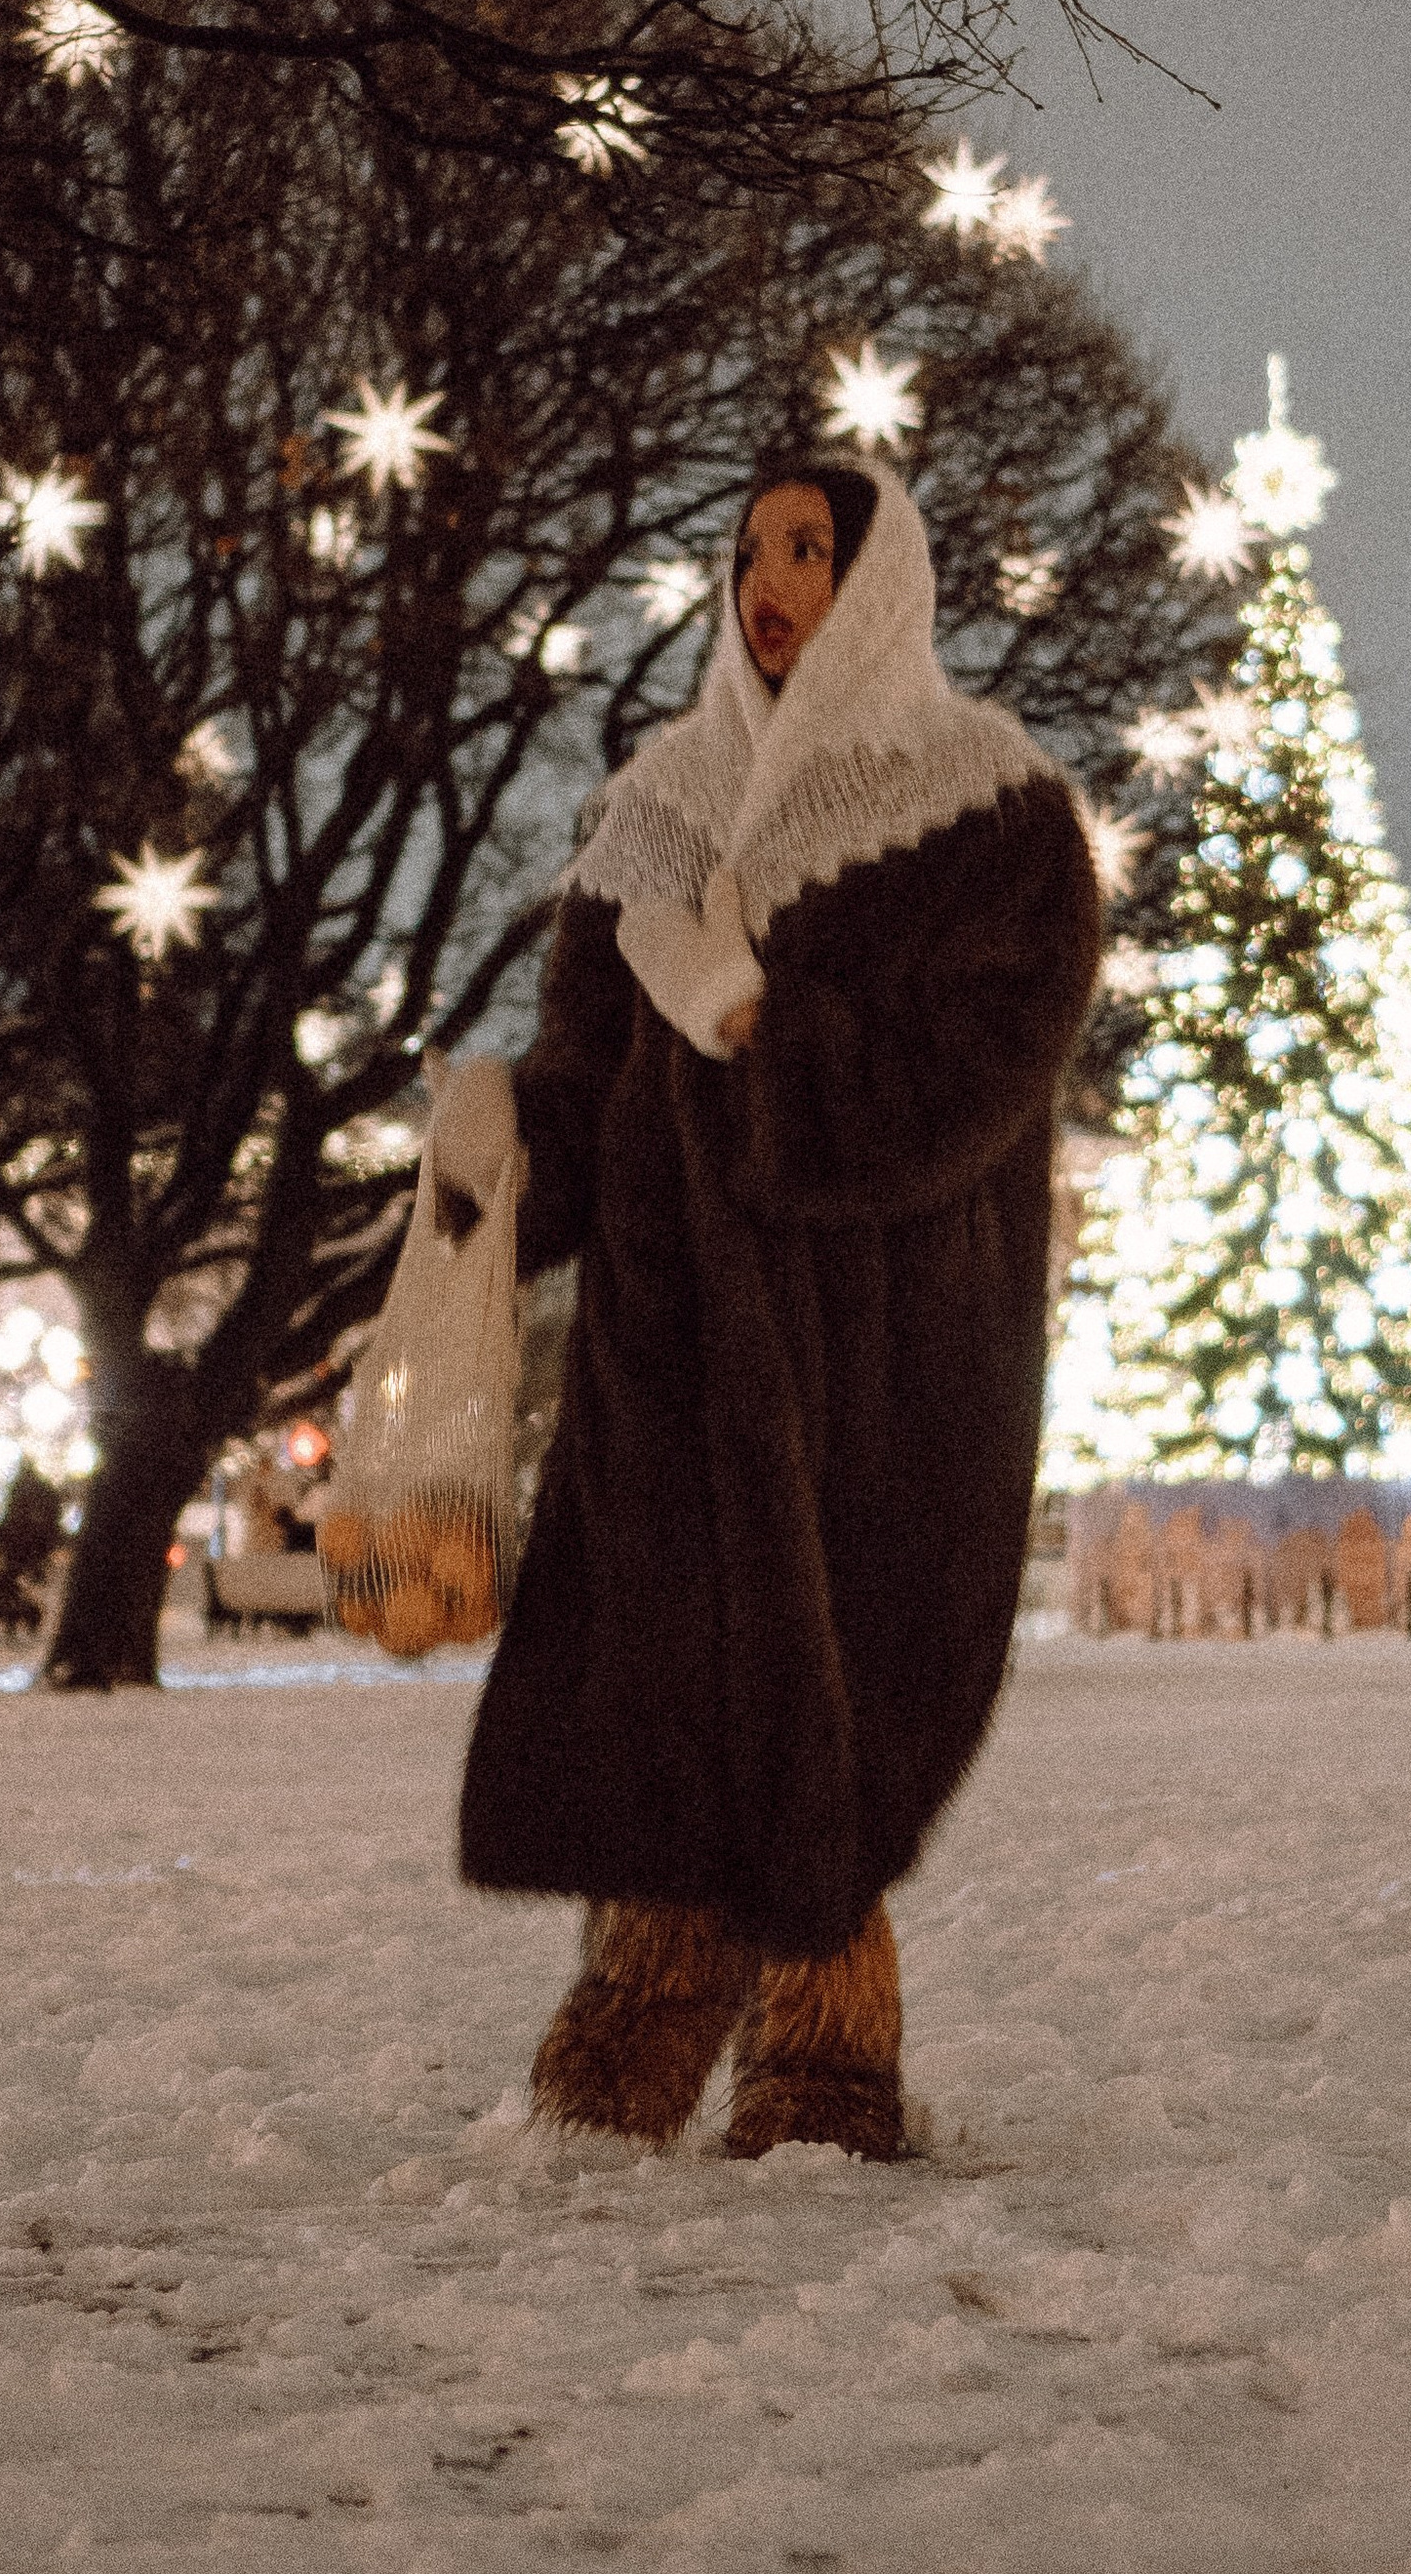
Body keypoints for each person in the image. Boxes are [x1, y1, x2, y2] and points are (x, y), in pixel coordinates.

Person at [449, 454, 1101, 2158]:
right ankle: (643, 2011)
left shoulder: (990, 805)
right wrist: (500, 1151)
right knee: (669, 1678)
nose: (773, 575)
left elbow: (987, 1069)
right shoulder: (656, 810)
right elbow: (588, 1085)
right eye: (751, 548)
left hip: (883, 1348)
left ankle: (829, 2044)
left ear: (882, 578)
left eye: (815, 546)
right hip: (664, 1352)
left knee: (842, 1690)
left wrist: (758, 1026)